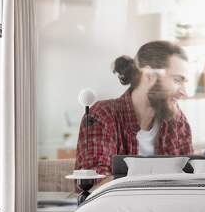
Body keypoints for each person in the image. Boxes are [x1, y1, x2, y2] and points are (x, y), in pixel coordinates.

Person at [75, 40, 193, 175]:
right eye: (177, 80)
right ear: (149, 76)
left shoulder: (177, 122)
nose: (184, 93)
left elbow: (189, 177)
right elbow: (94, 182)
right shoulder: (102, 115)